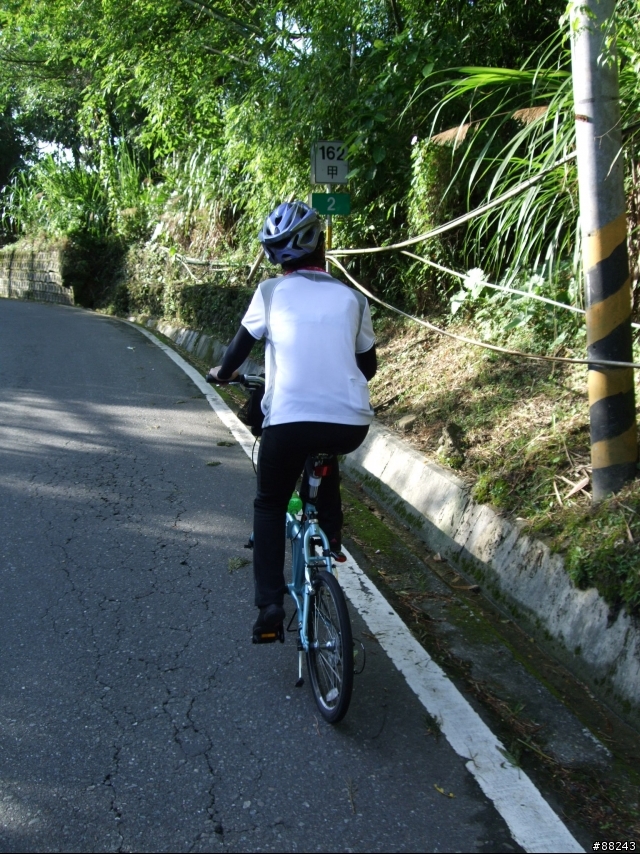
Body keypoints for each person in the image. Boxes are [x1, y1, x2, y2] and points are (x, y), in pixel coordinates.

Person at [207, 200, 377, 641]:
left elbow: (236, 354)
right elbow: (368, 367)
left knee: (269, 503)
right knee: (324, 447)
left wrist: (222, 375)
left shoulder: (269, 293)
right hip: (350, 424)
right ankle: (331, 536)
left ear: (274, 257)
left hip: (288, 424)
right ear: (322, 244)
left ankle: (269, 607)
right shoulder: (352, 299)